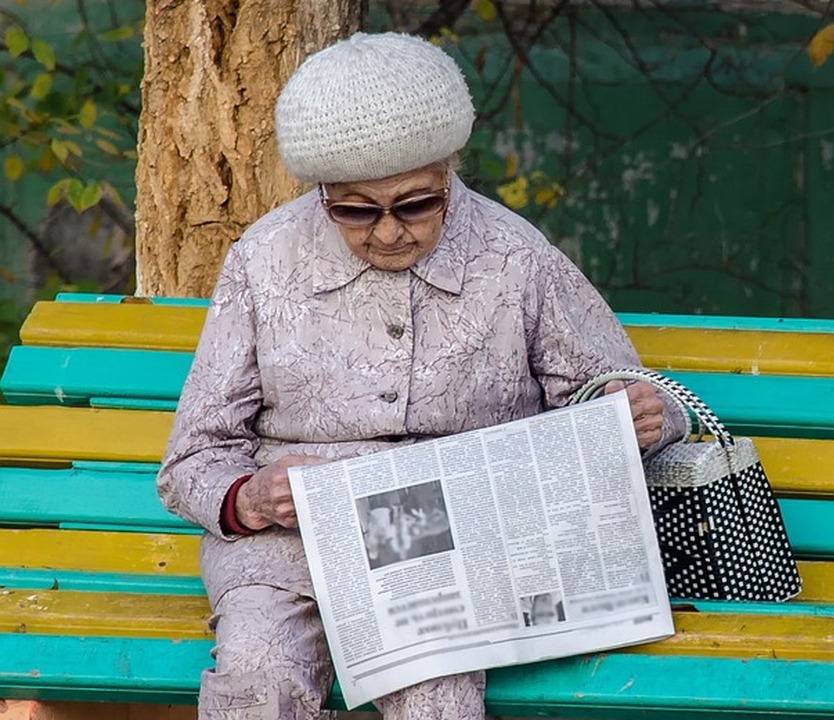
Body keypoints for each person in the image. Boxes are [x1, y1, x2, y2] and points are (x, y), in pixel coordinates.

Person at [156, 31, 686, 720]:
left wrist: (641, 414)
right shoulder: (263, 260)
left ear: (449, 174)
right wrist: (253, 499)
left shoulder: (514, 254)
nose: (386, 233)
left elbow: (619, 392)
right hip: (292, 553)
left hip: (457, 551)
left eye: (415, 205)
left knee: (438, 698)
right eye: (353, 210)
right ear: (321, 194)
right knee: (258, 683)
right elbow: (190, 459)